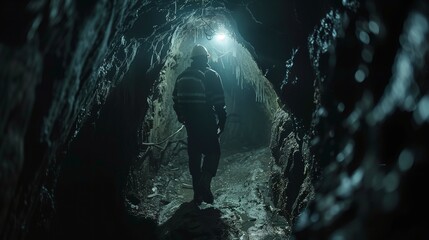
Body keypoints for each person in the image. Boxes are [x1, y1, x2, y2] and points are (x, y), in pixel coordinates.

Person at [172, 44, 227, 205]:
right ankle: (205, 184)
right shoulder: (211, 75)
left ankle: (198, 195)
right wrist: (222, 121)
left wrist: (181, 116)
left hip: (190, 123)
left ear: (192, 59)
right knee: (213, 152)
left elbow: (175, 99)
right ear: (206, 58)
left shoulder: (182, 76)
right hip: (207, 121)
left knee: (194, 156)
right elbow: (218, 101)